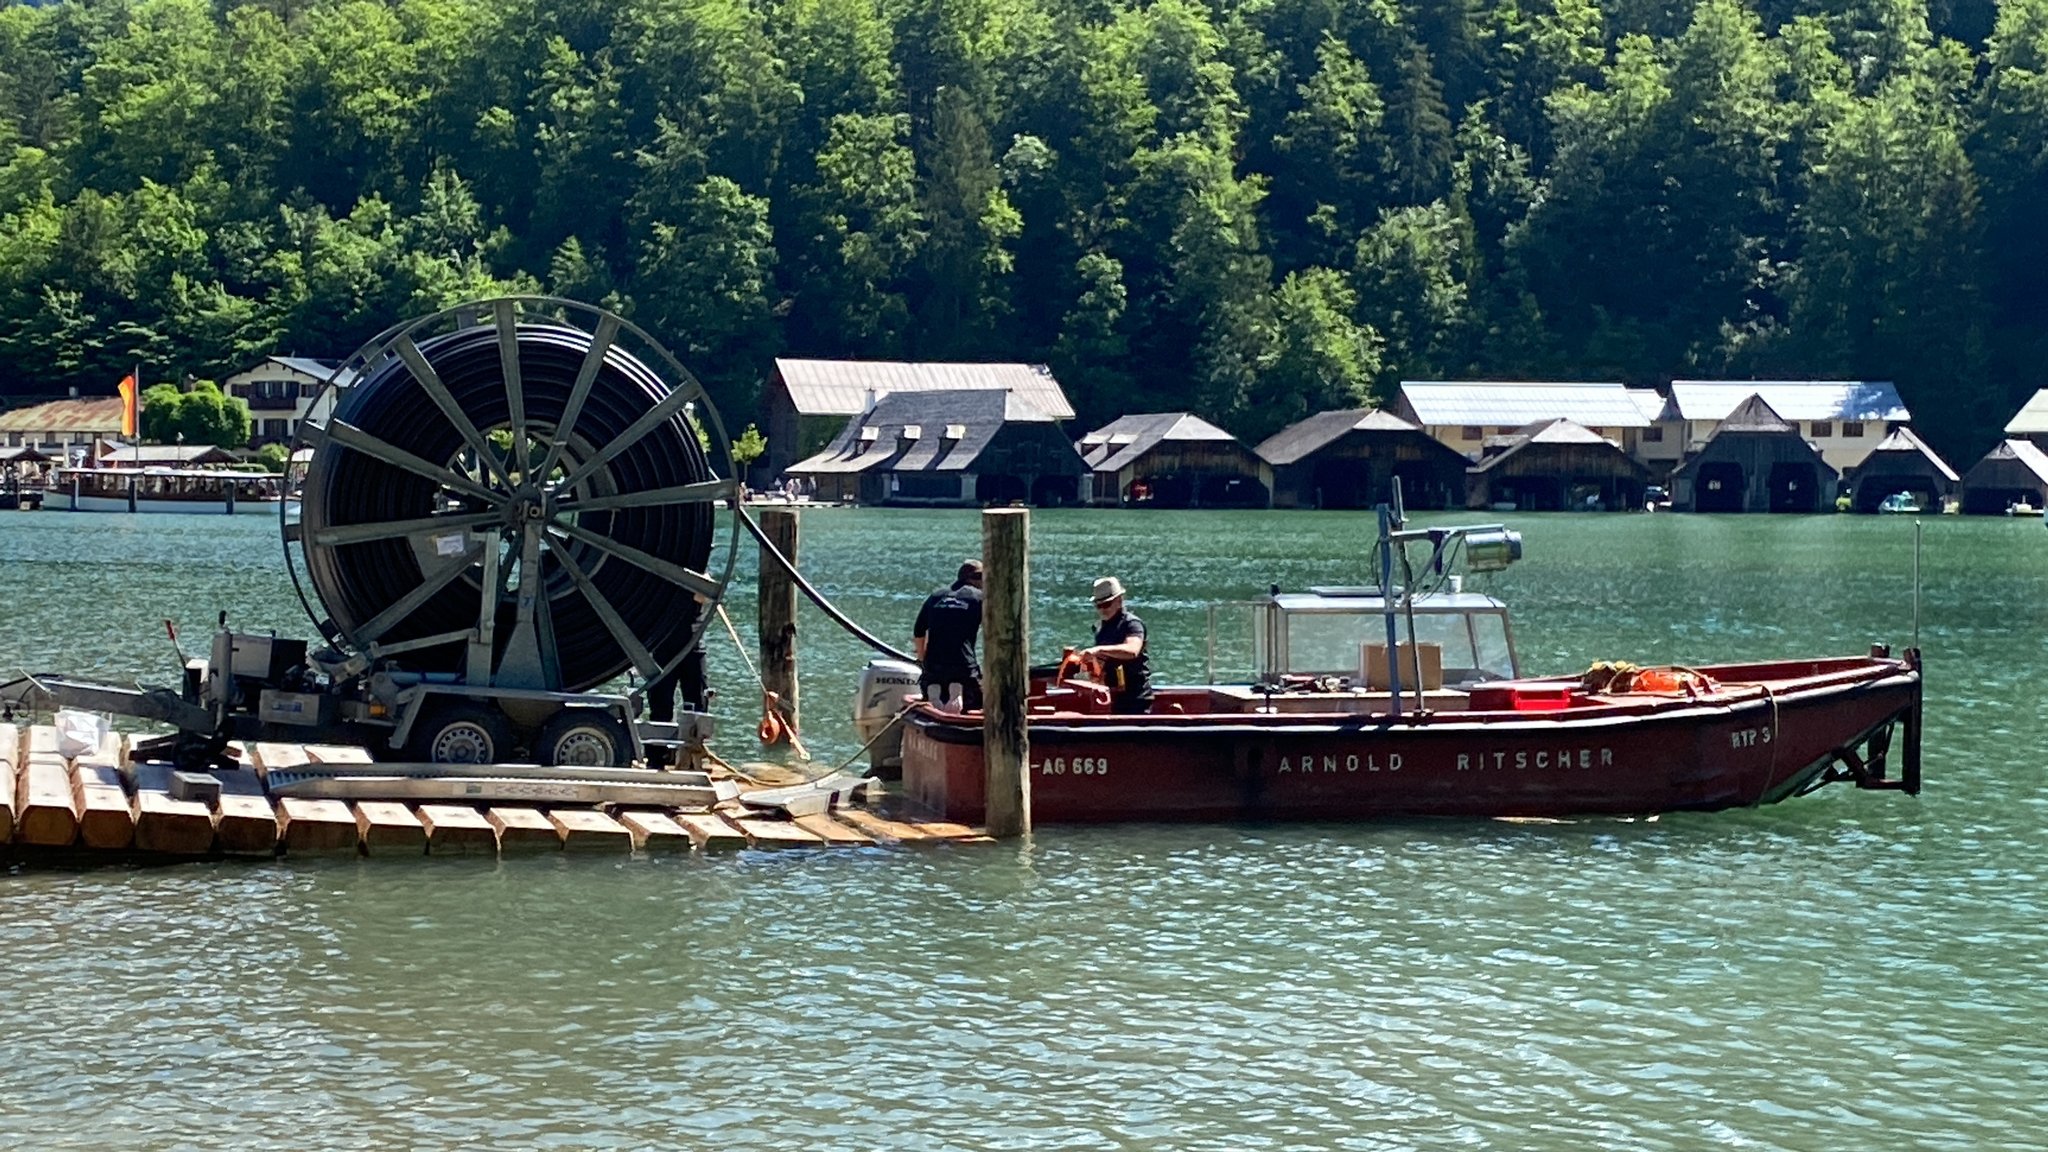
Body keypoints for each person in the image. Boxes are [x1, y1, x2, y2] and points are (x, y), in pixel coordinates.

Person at [914, 559, 984, 710]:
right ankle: (957, 690)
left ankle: (936, 692)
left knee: (935, 682)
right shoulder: (979, 597)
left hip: (934, 668)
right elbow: (995, 634)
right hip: (964, 667)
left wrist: (923, 660)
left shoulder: (936, 596)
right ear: (978, 579)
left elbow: (919, 630)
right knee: (980, 702)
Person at [1081, 575, 1152, 714]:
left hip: (1136, 698)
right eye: (1098, 605)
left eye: (1106, 604)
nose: (1102, 609)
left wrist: (1098, 650)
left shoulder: (1132, 624)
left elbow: (1132, 650)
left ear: (1119, 601)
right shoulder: (1100, 628)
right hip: (1112, 696)